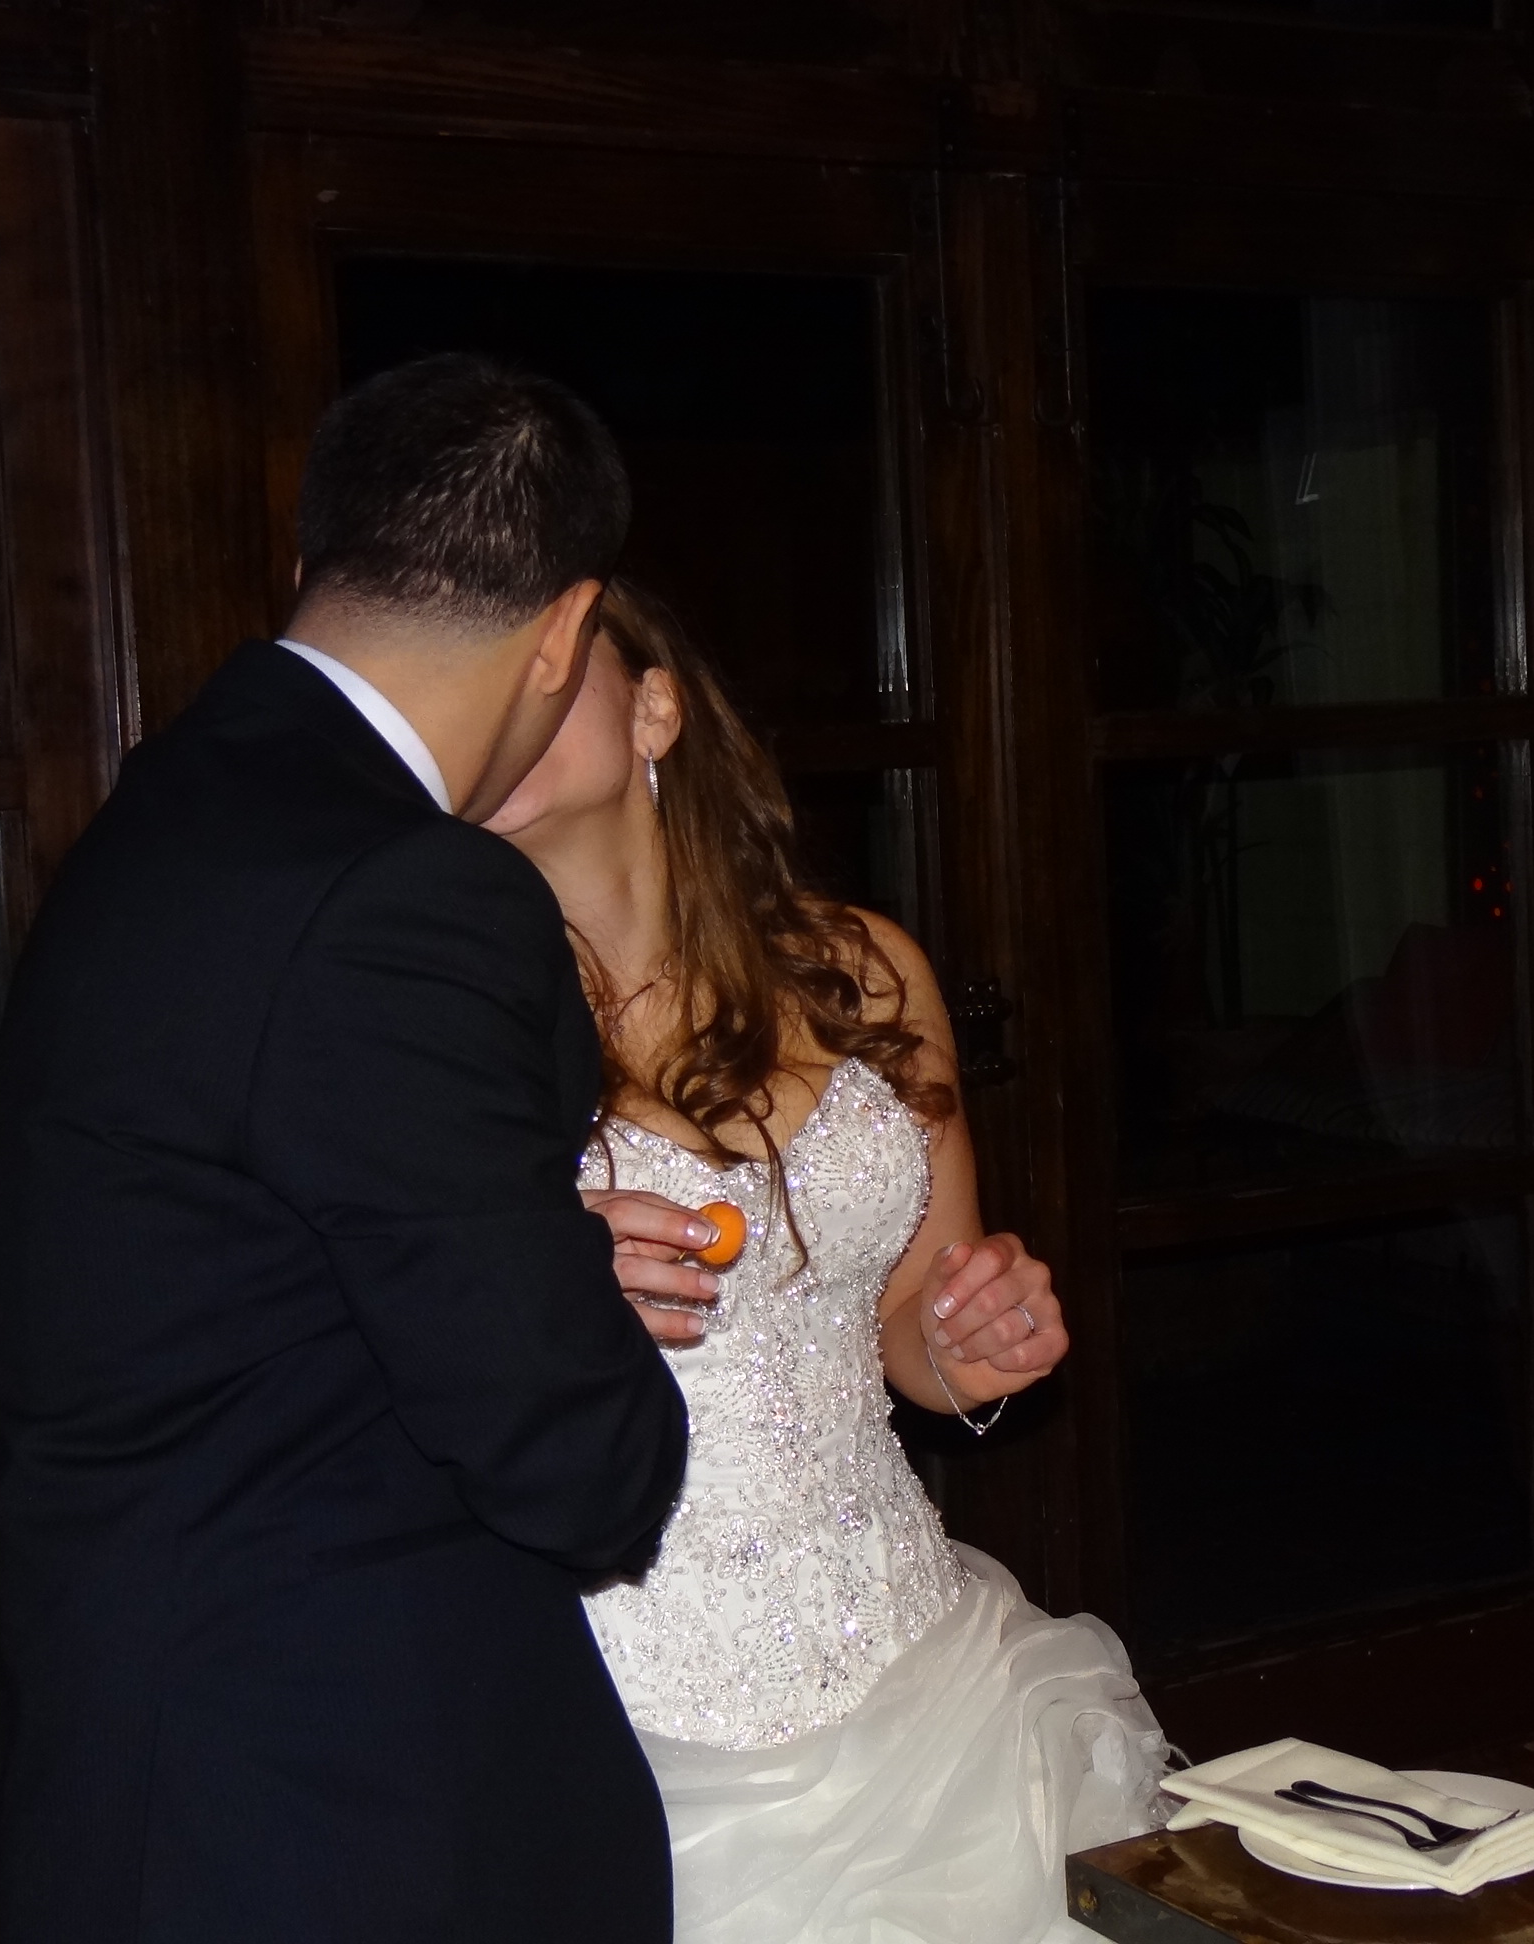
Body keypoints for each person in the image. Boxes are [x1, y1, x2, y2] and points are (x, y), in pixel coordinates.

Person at [0, 357, 690, 1944]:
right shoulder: (406, 890)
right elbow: (579, 1463)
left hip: (140, 1746)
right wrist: (572, 1294)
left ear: (315, 557)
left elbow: (245, 1232)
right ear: (566, 630)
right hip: (329, 1809)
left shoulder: (173, 799)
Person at [484, 579, 1169, 1944]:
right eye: (483, 670)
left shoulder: (863, 973)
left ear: (655, 707)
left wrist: (974, 1346)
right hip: (627, 1708)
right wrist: (534, 1288)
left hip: (925, 1678)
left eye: (551, 653)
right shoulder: (451, 1033)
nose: (510, 689)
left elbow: (913, 1320)